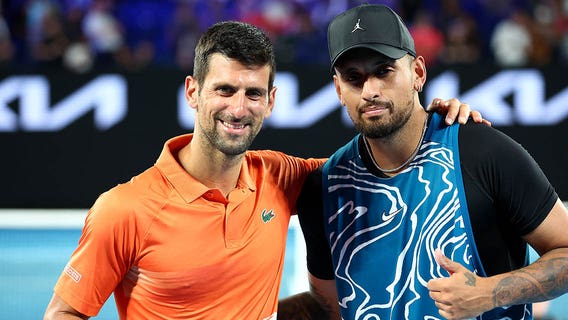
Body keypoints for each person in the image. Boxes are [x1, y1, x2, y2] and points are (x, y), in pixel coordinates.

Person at [43, 20, 479, 320]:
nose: (238, 108)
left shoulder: (281, 176)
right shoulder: (124, 209)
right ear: (193, 92)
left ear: (271, 101)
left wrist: (434, 122)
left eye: (253, 93)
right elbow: (66, 310)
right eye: (225, 90)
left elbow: (384, 162)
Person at [296, 4, 568, 320]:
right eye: (354, 78)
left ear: (418, 73)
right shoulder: (325, 187)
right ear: (338, 89)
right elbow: (327, 308)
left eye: (384, 71)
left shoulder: (482, 152)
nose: (370, 90)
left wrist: (489, 292)